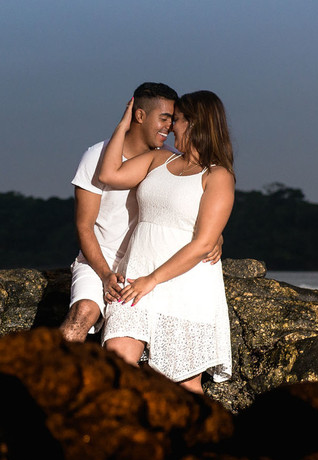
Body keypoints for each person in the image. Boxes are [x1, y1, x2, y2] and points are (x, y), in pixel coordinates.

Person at [97, 90, 235, 394]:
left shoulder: (218, 176)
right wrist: (122, 125)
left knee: (185, 383)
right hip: (137, 274)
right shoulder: (159, 159)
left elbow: (202, 244)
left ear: (196, 123)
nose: (172, 126)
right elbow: (109, 174)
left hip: (183, 285)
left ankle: (206, 441)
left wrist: (153, 280)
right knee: (116, 363)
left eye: (178, 119)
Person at [60, 83, 220, 342]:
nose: (170, 127)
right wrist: (104, 274)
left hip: (145, 264)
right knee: (84, 312)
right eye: (164, 118)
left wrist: (217, 237)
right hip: (100, 259)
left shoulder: (169, 159)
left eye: (173, 120)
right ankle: (44, 373)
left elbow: (195, 206)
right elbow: (84, 226)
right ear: (140, 115)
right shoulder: (95, 155)